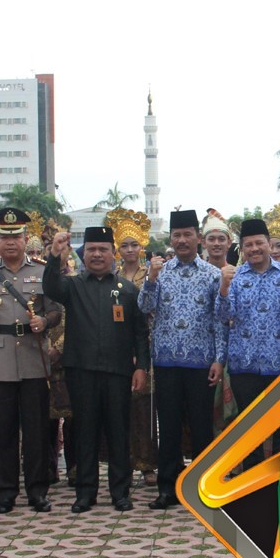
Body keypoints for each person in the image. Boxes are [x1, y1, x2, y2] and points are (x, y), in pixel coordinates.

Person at [0, 208, 63, 514]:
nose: (10, 242)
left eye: (16, 236)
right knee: (2, 430)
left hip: (33, 357)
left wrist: (44, 321)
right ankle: (5, 493)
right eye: (4, 237)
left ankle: (37, 491)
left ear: (25, 239)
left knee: (36, 430)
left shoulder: (41, 271)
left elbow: (56, 310)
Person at [43, 228, 148, 513]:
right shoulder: (72, 286)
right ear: (84, 254)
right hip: (82, 371)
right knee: (85, 432)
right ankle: (85, 493)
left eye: (103, 249)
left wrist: (142, 367)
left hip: (118, 372)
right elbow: (50, 287)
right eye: (92, 249)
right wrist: (54, 255)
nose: (97, 255)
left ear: (112, 253)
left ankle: (120, 492)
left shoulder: (128, 290)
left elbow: (140, 333)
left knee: (118, 432)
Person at [140, 210, 223, 509]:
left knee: (202, 428)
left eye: (188, 234)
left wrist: (219, 359)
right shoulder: (159, 272)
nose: (182, 240)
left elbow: (220, 320)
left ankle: (203, 489)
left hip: (201, 363)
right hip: (166, 363)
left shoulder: (212, 274)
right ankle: (168, 488)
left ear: (198, 238)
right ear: (171, 239)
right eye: (177, 235)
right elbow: (144, 307)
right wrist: (150, 279)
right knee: (169, 427)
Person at [218, 218, 280, 468]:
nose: (254, 248)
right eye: (248, 245)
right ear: (242, 249)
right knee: (250, 430)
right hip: (245, 365)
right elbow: (224, 316)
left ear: (269, 244)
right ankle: (253, 482)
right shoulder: (234, 277)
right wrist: (223, 288)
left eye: (259, 243)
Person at [108, 208, 157, 487]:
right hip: (117, 348)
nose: (129, 250)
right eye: (124, 245)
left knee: (144, 409)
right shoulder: (111, 277)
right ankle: (123, 462)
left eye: (134, 244)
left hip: (145, 345)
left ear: (142, 246)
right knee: (119, 407)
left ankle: (147, 464)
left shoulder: (150, 276)